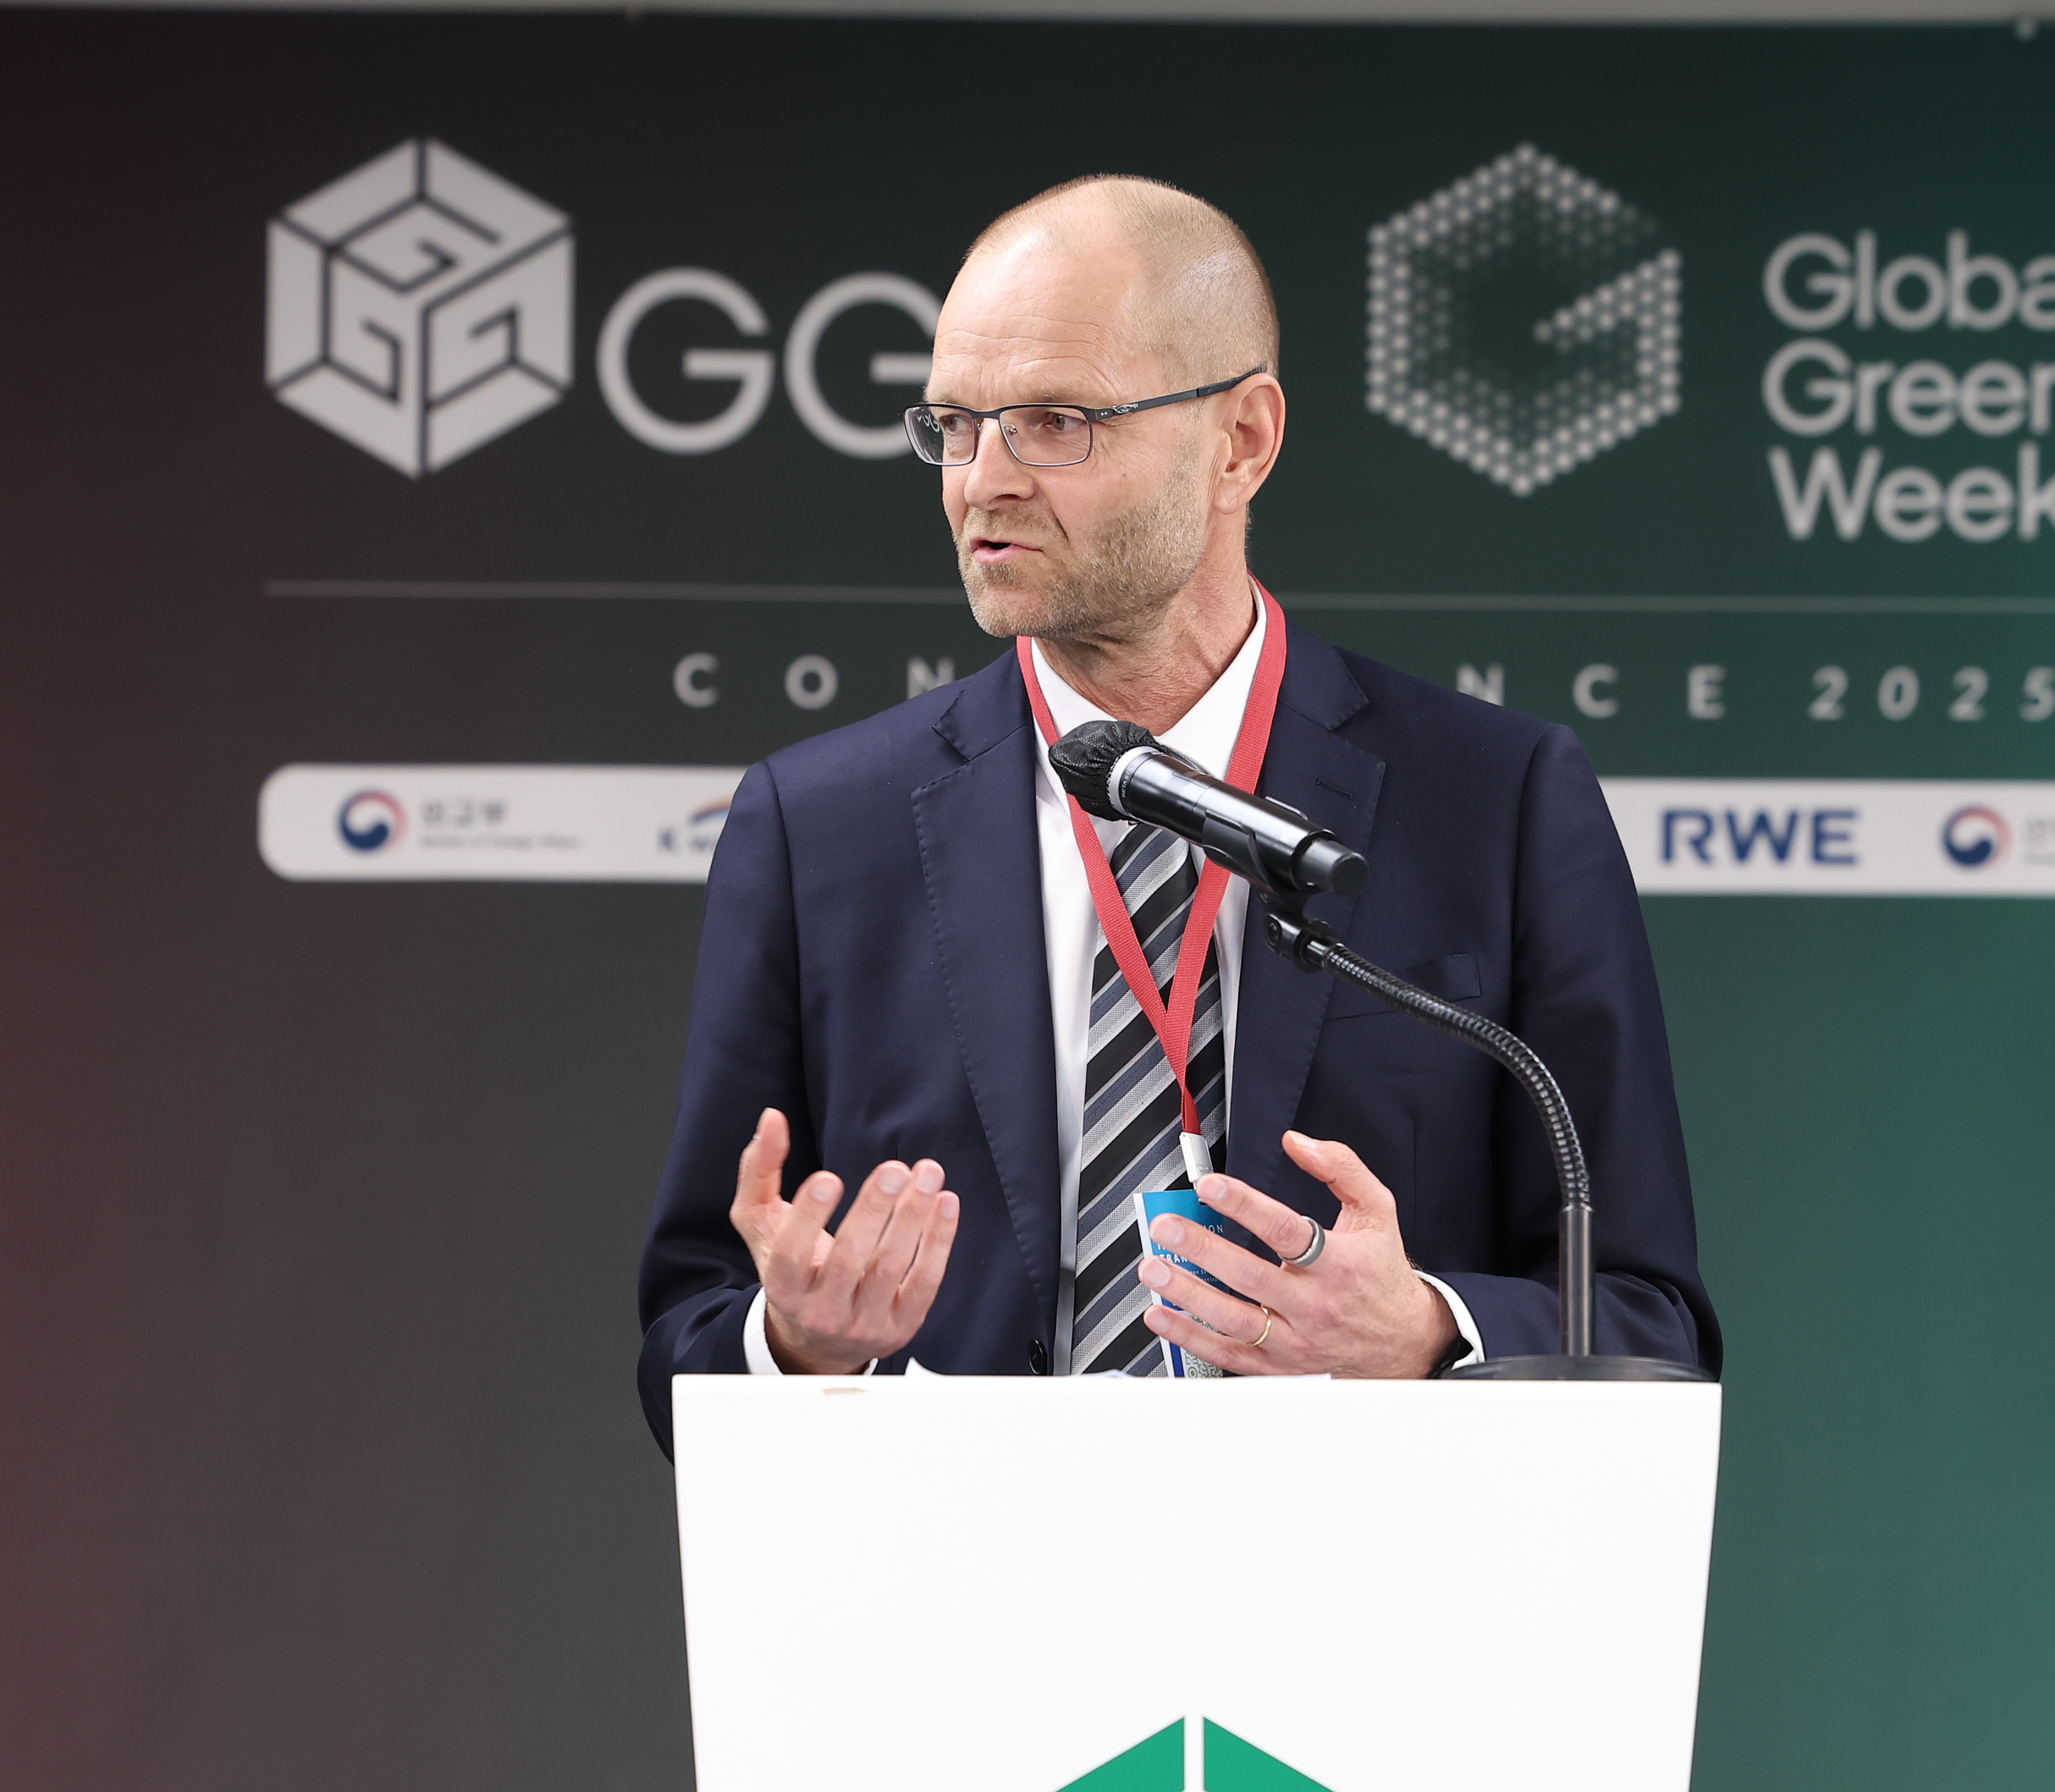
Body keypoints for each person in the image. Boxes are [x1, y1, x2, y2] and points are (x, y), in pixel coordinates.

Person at [636, 174, 1714, 1454]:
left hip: (1357, 1570)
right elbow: (689, 1335)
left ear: (1241, 441)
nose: (983, 483)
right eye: (955, 426)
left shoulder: (1499, 799)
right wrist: (801, 1345)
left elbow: (1649, 1323)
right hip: (957, 1569)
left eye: (1053, 423)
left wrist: (1426, 1333)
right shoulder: (818, 825)